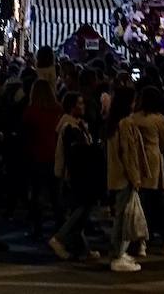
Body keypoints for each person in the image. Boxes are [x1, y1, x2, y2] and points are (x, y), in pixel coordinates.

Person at [49, 91, 102, 260]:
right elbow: (76, 155)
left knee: (80, 210)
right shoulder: (71, 127)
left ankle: (83, 249)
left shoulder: (74, 125)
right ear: (72, 107)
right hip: (77, 174)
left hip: (74, 174)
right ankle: (59, 238)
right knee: (81, 209)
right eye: (79, 104)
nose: (83, 106)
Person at [132, 84, 164, 256]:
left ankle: (141, 241)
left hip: (137, 162)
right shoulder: (159, 120)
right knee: (159, 202)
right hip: (154, 162)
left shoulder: (134, 118)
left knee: (142, 204)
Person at [104, 85, 145, 273]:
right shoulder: (126, 123)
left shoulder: (113, 122)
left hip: (116, 174)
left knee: (121, 214)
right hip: (124, 176)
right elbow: (128, 153)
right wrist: (135, 177)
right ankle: (118, 254)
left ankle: (119, 252)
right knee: (123, 217)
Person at [22, 78, 63, 239]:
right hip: (55, 155)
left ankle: (37, 228)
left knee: (37, 193)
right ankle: (60, 226)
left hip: (37, 156)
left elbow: (26, 137)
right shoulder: (57, 110)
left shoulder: (30, 112)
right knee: (55, 195)